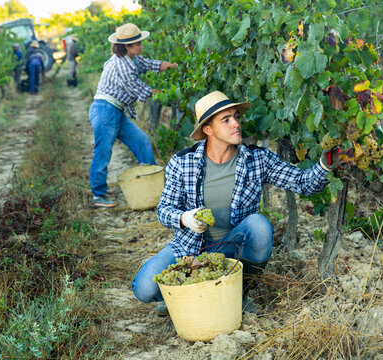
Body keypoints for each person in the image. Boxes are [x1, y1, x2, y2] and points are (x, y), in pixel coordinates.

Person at [131, 91, 340, 316]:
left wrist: (325, 165)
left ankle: (237, 292)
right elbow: (163, 211)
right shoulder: (182, 162)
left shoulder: (257, 159)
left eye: (236, 117)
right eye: (226, 119)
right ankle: (182, 292)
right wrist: (185, 218)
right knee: (143, 288)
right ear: (207, 130)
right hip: (189, 249)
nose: (236, 124)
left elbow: (302, 182)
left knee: (259, 226)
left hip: (232, 250)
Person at [89, 23, 178, 207]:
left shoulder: (132, 59)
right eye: (138, 44)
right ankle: (98, 195)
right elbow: (140, 90)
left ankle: (153, 186)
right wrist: (169, 93)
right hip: (105, 110)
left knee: (142, 141)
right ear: (126, 46)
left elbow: (148, 64)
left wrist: (169, 66)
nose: (142, 46)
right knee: (103, 152)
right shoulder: (122, 65)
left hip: (115, 110)